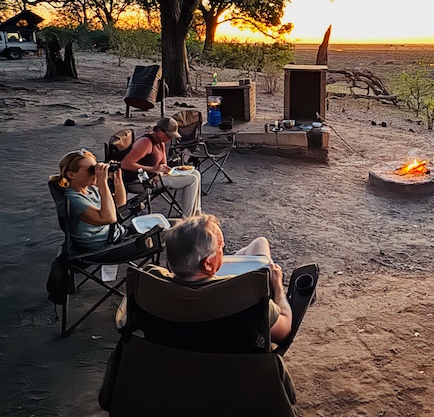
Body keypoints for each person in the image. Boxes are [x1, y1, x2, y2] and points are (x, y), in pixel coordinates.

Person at [153, 213, 293, 344]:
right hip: (231, 364)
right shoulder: (245, 293)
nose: (223, 251)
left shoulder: (153, 285)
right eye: (221, 248)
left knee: (257, 245)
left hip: (174, 360)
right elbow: (283, 330)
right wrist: (278, 286)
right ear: (207, 264)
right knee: (260, 247)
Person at [52, 149, 152, 261]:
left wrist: (118, 182)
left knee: (168, 225)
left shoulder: (90, 189)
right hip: (101, 250)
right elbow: (109, 218)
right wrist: (103, 183)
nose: (95, 173)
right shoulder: (73, 200)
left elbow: (119, 204)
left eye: (96, 168)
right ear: (71, 175)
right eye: (91, 170)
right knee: (162, 236)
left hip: (115, 236)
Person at [120, 117, 202, 217]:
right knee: (192, 179)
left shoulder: (161, 143)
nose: (169, 138)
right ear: (159, 130)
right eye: (168, 135)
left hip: (155, 177)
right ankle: (188, 217)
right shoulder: (145, 143)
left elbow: (163, 165)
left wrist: (164, 171)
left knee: (196, 173)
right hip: (142, 182)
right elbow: (125, 164)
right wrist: (152, 169)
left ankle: (197, 212)